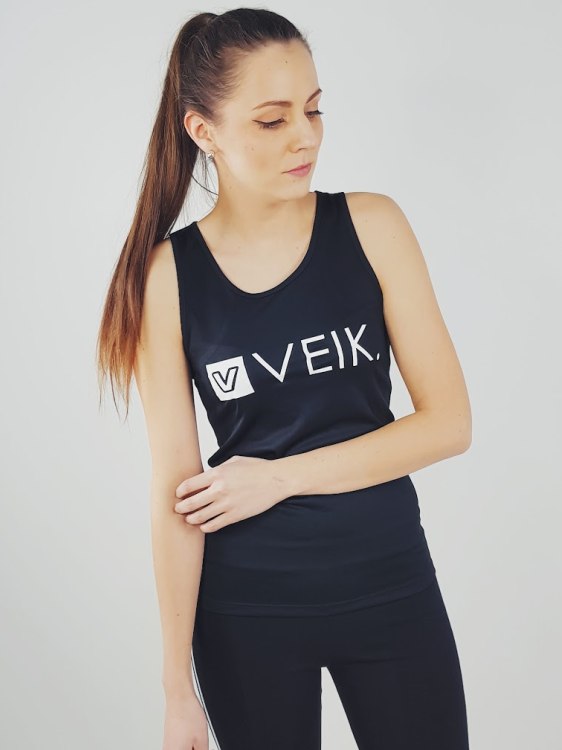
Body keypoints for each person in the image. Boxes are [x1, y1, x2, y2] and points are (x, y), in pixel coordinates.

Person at [96, 8, 472, 750]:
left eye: (314, 109)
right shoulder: (168, 277)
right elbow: (176, 493)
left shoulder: (372, 226)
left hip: (390, 582)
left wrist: (278, 478)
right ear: (203, 131)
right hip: (246, 611)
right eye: (272, 120)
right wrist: (176, 689)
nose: (306, 136)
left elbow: (449, 424)